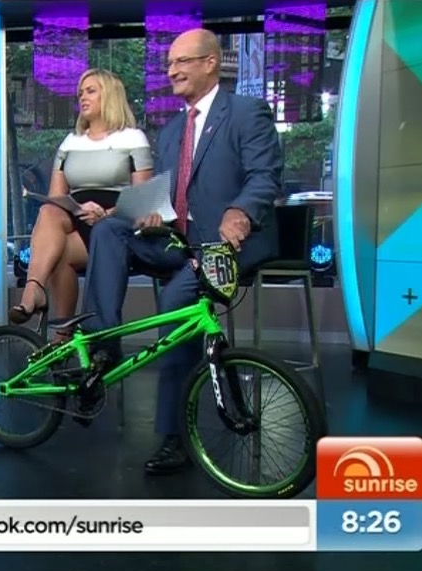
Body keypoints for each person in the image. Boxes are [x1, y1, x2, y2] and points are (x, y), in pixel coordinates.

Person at [80, 29, 283, 473]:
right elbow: (166, 195)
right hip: (181, 243)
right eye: (169, 63)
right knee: (110, 231)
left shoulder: (246, 113)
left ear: (210, 63)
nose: (171, 70)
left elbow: (265, 177)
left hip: (228, 244)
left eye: (181, 61)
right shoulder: (172, 131)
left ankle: (176, 436)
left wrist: (240, 212)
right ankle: (103, 348)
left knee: (176, 301)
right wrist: (141, 212)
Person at [8, 69, 153, 341]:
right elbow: (56, 198)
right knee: (48, 211)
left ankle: (61, 332)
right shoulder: (71, 142)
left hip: (115, 224)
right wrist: (78, 208)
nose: (82, 97)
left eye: (91, 91)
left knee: (60, 252)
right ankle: (35, 290)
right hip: (76, 217)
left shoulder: (133, 138)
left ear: (110, 95)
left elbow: (142, 199)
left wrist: (107, 214)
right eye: (80, 93)